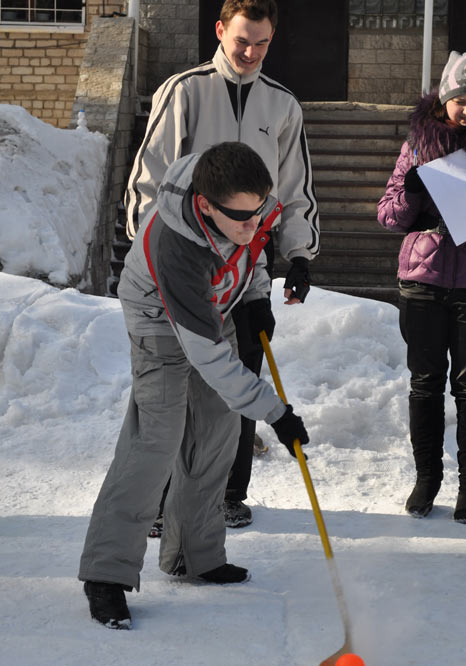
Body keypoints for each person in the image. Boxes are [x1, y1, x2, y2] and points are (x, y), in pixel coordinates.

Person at [79, 142, 309, 628]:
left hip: (214, 307)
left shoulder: (242, 207)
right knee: (156, 441)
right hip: (159, 320)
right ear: (205, 205)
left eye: (259, 212)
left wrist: (257, 295)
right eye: (241, 216)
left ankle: (193, 555)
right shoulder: (176, 245)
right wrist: (275, 412)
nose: (254, 224)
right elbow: (205, 354)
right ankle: (106, 574)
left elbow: (253, 245)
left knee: (217, 434)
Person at [125, 0, 319, 531]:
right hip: (183, 267)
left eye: (261, 42)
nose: (251, 52)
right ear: (220, 31)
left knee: (237, 383)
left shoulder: (282, 105)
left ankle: (227, 494)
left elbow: (295, 189)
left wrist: (298, 255)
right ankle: (164, 501)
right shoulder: (185, 91)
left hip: (244, 270)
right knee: (179, 390)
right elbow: (148, 182)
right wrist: (158, 260)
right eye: (242, 41)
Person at [377, 50, 466, 524]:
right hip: (422, 282)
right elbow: (388, 215)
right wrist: (410, 189)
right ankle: (426, 480)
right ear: (443, 99)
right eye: (459, 100)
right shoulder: (418, 143)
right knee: (424, 383)